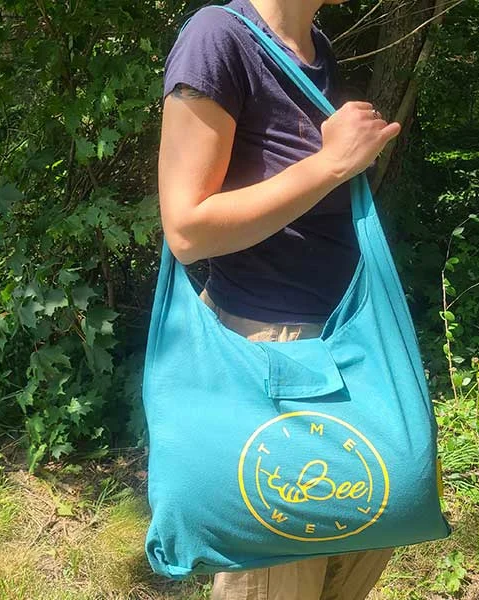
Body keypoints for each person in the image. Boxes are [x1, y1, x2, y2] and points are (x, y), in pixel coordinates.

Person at [158, 0, 402, 598]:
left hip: (346, 340)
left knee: (368, 531)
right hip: (268, 353)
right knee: (282, 572)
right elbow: (187, 231)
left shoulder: (318, 49)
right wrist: (334, 162)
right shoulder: (217, 38)